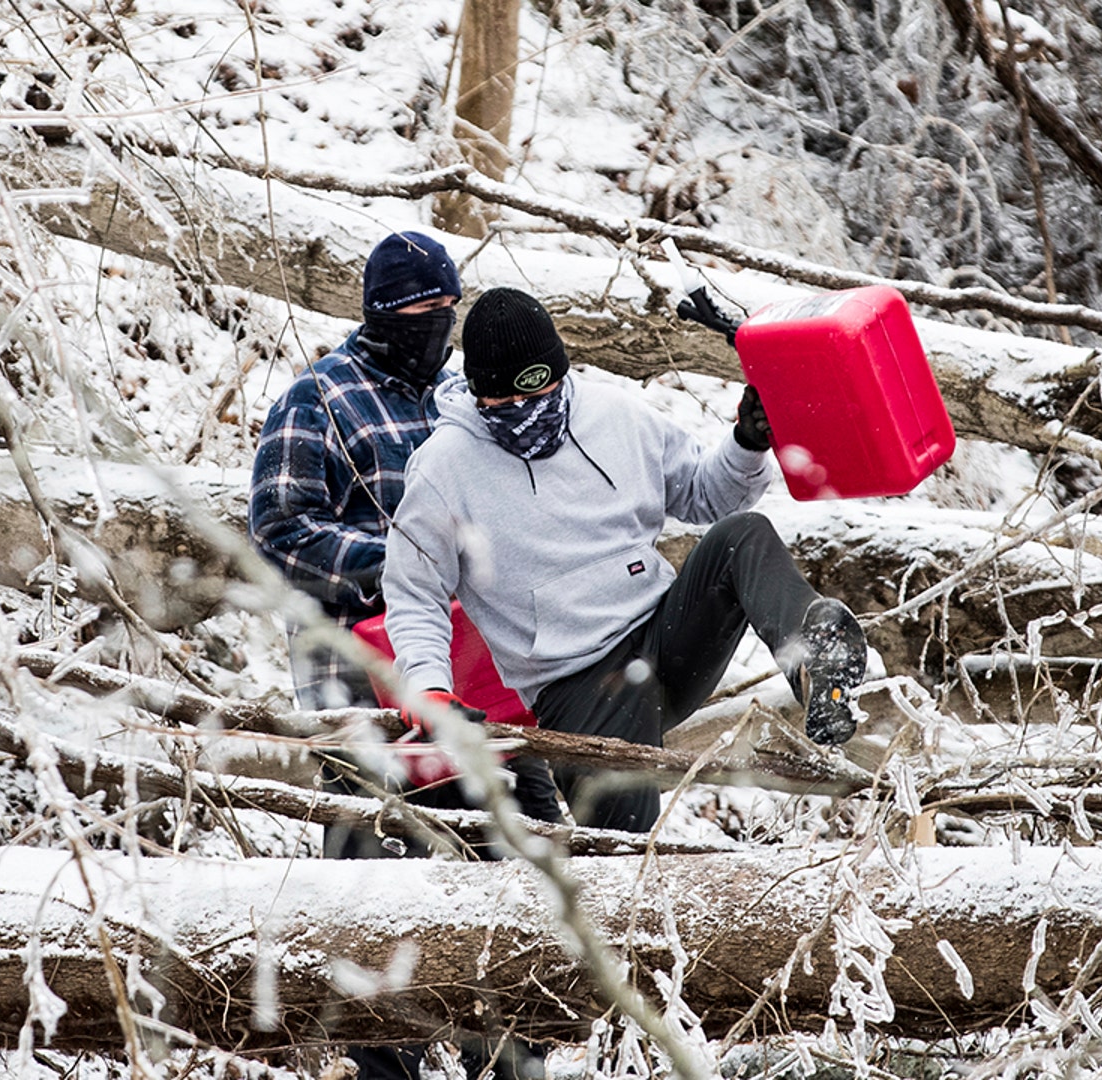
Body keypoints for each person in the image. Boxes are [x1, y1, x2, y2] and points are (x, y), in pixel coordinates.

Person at [381, 287, 869, 834]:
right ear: (478, 393)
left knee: (742, 535)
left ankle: (815, 659)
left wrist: (746, 445)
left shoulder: (614, 415)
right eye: (508, 404)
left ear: (561, 375)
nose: (530, 411)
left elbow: (708, 496)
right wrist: (427, 687)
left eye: (544, 391)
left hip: (664, 639)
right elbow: (414, 594)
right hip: (575, 686)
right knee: (622, 850)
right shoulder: (443, 469)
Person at [249, 237, 555, 1080]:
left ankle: (515, 1052)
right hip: (359, 681)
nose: (435, 328)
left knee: (515, 862)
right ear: (380, 315)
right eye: (418, 315)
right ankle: (384, 1066)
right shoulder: (317, 400)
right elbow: (279, 534)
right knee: (377, 888)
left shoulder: (465, 397)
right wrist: (403, 564)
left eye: (445, 313)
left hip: (473, 679)